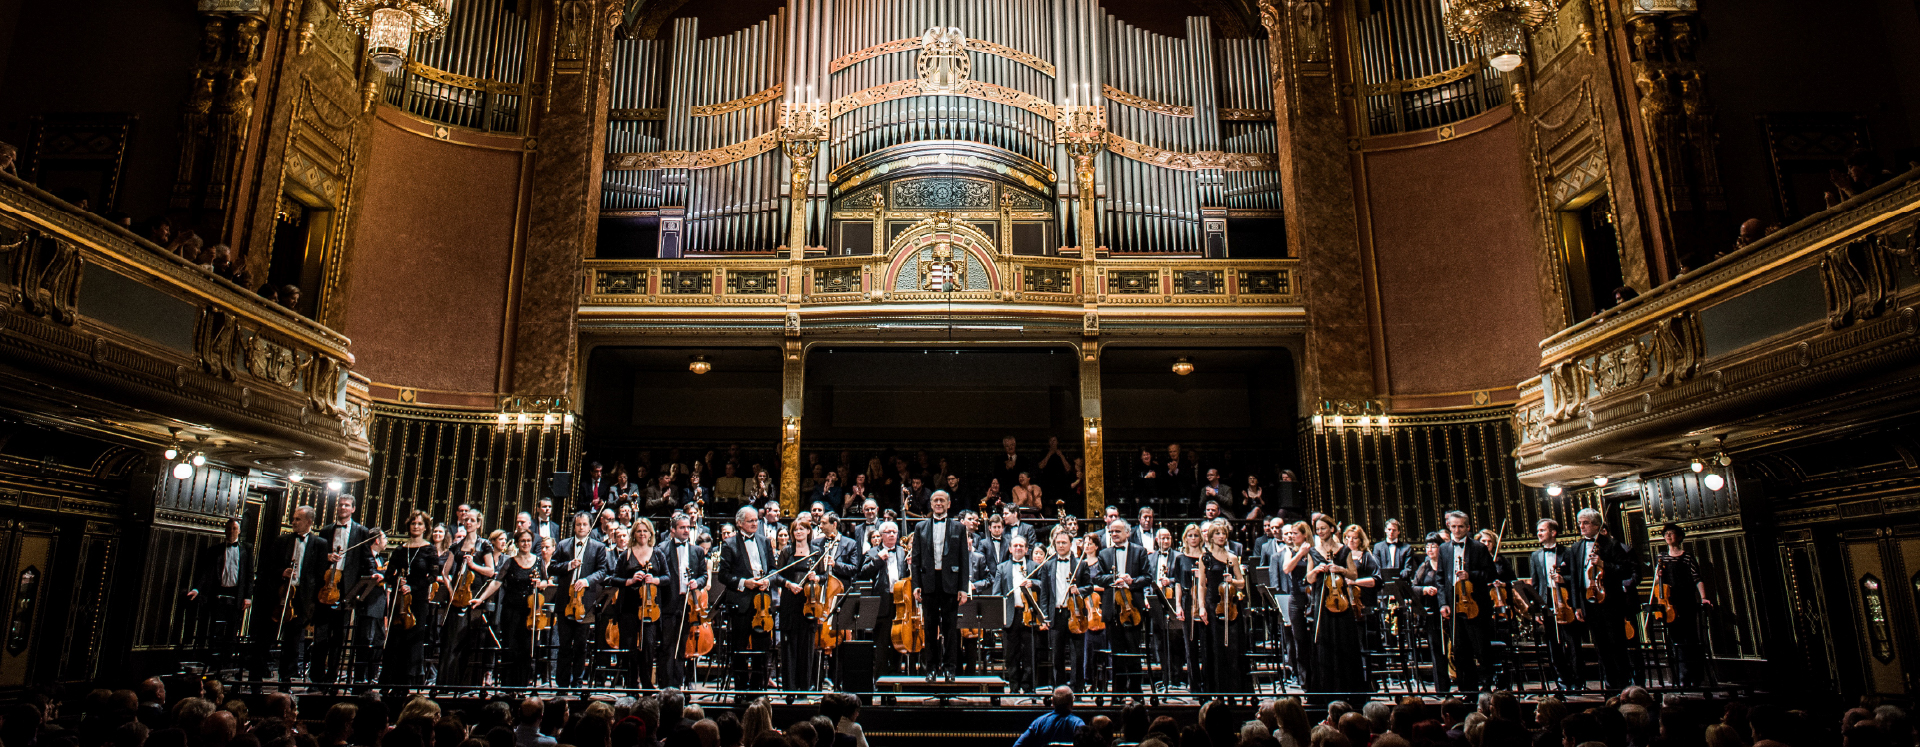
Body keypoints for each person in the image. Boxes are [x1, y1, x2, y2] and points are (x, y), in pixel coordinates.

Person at [250, 505, 327, 681]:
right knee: (265, 638)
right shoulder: (282, 541)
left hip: (300, 598)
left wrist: (312, 602)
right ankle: (256, 679)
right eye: (293, 519)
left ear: (309, 522)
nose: (293, 522)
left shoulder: (320, 544)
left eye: (298, 519)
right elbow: (267, 566)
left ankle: (286, 680)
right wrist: (282, 572)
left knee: (292, 642)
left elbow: (319, 573)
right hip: (279, 594)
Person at [472, 530, 553, 686]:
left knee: (526, 649)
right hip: (511, 610)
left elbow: (545, 581)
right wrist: (480, 598)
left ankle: (521, 685)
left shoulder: (538, 561)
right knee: (510, 647)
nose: (526, 544)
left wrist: (539, 584)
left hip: (529, 611)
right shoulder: (510, 562)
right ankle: (508, 686)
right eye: (523, 541)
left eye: (528, 541)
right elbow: (496, 582)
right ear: (517, 543)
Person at [1571, 507, 1640, 689]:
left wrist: (1603, 564)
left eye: (1586, 523)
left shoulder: (1611, 544)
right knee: (1600, 646)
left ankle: (1623, 685)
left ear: (1596, 525)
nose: (1581, 526)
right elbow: (1576, 579)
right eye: (1580, 523)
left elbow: (1625, 571)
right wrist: (1577, 606)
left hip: (1611, 603)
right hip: (1589, 602)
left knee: (1616, 645)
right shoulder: (1576, 547)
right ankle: (1609, 686)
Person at [311, 495, 375, 683]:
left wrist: (374, 573)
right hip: (325, 588)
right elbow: (315, 557)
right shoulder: (326, 530)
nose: (343, 508)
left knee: (338, 637)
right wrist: (327, 557)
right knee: (320, 636)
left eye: (347, 505)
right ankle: (316, 678)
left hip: (346, 589)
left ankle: (331, 677)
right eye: (340, 505)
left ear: (353, 509)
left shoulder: (361, 531)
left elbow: (367, 558)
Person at [912, 490, 972, 682]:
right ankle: (931, 669)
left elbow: (964, 559)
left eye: (942, 500)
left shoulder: (959, 528)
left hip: (951, 583)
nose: (939, 503)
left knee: (950, 629)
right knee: (930, 629)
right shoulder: (920, 527)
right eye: (935, 500)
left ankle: (950, 669)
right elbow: (915, 559)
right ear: (931, 504)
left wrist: (963, 588)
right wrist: (915, 585)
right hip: (928, 582)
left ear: (948, 504)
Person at [550, 511, 612, 687]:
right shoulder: (563, 545)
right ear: (574, 526)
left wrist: (586, 580)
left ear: (590, 526)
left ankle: (578, 681)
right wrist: (568, 565)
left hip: (585, 603)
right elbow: (551, 568)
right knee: (564, 645)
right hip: (565, 601)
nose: (581, 527)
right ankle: (562, 683)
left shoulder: (598, 547)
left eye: (584, 524)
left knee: (580, 645)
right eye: (578, 524)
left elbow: (602, 571)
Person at [720, 505, 777, 689]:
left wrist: (768, 580)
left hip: (763, 603)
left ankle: (757, 688)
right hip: (741, 603)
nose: (754, 524)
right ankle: (741, 688)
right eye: (750, 521)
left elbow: (773, 570)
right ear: (739, 523)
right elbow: (723, 575)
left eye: (756, 521)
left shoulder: (765, 541)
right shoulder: (729, 544)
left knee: (762, 648)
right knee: (739, 648)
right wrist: (744, 582)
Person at [1437, 511, 1494, 693]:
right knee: (1460, 651)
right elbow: (1440, 579)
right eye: (1453, 526)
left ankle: (1486, 688)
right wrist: (1443, 603)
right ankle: (1467, 690)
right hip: (1454, 605)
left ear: (1468, 527)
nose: (1457, 530)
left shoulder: (1479, 548)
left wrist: (1471, 575)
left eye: (1461, 526)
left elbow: (1491, 574)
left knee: (1481, 649)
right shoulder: (1444, 549)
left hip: (1475, 605)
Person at [381, 511, 438, 687]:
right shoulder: (400, 549)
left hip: (418, 600)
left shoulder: (429, 549)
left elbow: (433, 576)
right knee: (395, 639)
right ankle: (391, 681)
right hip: (399, 598)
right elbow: (388, 574)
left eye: (420, 524)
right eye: (413, 523)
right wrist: (398, 582)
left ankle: (409, 680)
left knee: (413, 639)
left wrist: (412, 587)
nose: (416, 526)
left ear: (425, 527)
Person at [1655, 523, 1713, 686]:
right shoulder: (1662, 557)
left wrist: (1703, 597)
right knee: (1675, 639)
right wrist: (1658, 575)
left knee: (1690, 638)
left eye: (1671, 533)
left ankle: (1694, 677)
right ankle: (1680, 677)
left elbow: (1697, 578)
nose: (1668, 536)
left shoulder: (1687, 557)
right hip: (1669, 603)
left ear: (1679, 537)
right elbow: (1657, 582)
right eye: (1666, 533)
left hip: (1685, 601)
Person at [1096, 519, 1150, 693]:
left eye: (1117, 531)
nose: (1114, 534)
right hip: (1112, 610)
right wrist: (1115, 578)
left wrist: (1131, 581)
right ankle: (1117, 693)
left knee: (1134, 652)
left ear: (1128, 533)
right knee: (1116, 654)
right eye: (1111, 532)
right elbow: (1098, 578)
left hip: (1133, 610)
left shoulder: (1139, 551)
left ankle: (1136, 691)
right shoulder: (1104, 554)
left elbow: (1147, 577)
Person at [657, 511, 708, 687]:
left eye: (688, 527)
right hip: (668, 602)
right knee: (667, 646)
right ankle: (665, 685)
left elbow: (704, 576)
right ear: (673, 530)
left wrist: (697, 582)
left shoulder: (697, 551)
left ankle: (678, 686)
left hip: (688, 604)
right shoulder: (662, 549)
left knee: (682, 647)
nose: (686, 530)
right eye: (682, 528)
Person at [1528, 518, 1580, 691]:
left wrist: (1564, 579)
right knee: (1553, 645)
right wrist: (1536, 610)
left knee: (1572, 643)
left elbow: (1577, 578)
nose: (1539, 533)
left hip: (1565, 600)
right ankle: (1562, 681)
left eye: (1542, 530)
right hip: (1546, 601)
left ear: (1553, 532)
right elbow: (1536, 584)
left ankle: (1577, 682)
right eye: (1538, 531)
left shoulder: (1568, 552)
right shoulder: (1535, 555)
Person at [188, 518, 252, 655]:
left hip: (236, 594)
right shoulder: (215, 550)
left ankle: (227, 660)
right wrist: (196, 589)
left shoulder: (246, 549)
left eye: (234, 529)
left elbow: (249, 574)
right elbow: (206, 573)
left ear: (239, 531)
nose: (231, 531)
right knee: (215, 628)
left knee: (232, 629)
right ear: (225, 531)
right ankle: (213, 658)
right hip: (218, 592)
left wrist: (248, 596)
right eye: (229, 528)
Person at [777, 518, 825, 690]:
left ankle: (804, 688)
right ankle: (790, 688)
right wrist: (788, 584)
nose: (798, 532)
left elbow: (824, 576)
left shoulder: (816, 552)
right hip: (790, 603)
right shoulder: (787, 552)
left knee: (806, 648)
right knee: (789, 647)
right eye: (795, 529)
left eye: (802, 529)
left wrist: (816, 578)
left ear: (808, 531)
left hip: (809, 604)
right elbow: (777, 575)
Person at [857, 521, 909, 677]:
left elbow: (907, 575)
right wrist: (878, 560)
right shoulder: (873, 552)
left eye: (894, 532)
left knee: (898, 642)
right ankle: (880, 679)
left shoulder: (902, 552)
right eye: (888, 532)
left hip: (900, 603)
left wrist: (911, 566)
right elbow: (863, 573)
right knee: (882, 644)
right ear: (881, 536)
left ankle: (896, 678)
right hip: (882, 603)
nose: (892, 535)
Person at [995, 534, 1044, 693]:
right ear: (1010, 549)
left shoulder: (1034, 566)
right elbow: (997, 593)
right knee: (1011, 654)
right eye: (1015, 546)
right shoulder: (1002, 568)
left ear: (1027, 549)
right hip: (1011, 615)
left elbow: (1044, 585)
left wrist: (1033, 583)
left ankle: (1028, 686)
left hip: (1029, 614)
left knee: (1030, 653)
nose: (1018, 548)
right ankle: (1014, 687)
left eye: (1021, 546)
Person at [1042, 529, 1086, 689]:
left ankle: (1077, 689)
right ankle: (1059, 689)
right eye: (1058, 543)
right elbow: (1045, 593)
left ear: (1070, 544)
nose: (1060, 545)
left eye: (1064, 542)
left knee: (1077, 655)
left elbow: (1089, 586)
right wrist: (1045, 615)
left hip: (1075, 613)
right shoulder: (1048, 565)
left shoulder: (1081, 564)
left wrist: (1079, 590)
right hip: (1056, 613)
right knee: (1057, 655)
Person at [1170, 524, 1209, 692]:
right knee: (1190, 646)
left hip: (1204, 601)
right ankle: (1194, 685)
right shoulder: (1180, 558)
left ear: (1201, 538)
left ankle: (1208, 684)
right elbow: (1178, 583)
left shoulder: (1206, 557)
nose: (1193, 538)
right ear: (1185, 538)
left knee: (1206, 646)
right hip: (1188, 601)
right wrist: (1178, 605)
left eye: (1196, 535)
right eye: (1190, 535)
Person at [1409, 532, 1449, 693]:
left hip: (1448, 610)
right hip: (1431, 613)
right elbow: (1413, 587)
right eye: (1427, 546)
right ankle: (1442, 689)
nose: (1430, 549)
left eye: (1434, 546)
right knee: (1437, 651)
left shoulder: (1446, 564)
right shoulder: (1424, 566)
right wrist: (1425, 590)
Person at [1013, 688, 1085, 747]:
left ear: (1053, 702)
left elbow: (1018, 745)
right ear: (1072, 703)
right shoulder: (1078, 723)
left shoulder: (1039, 722)